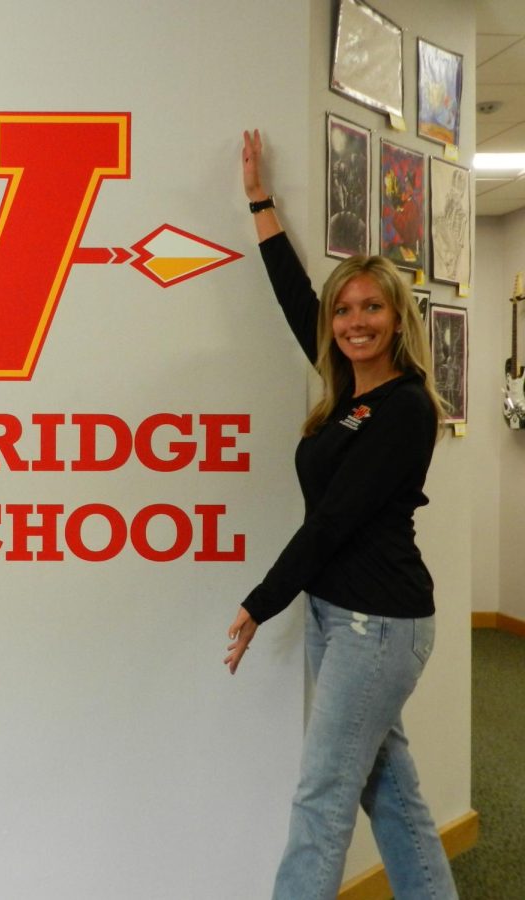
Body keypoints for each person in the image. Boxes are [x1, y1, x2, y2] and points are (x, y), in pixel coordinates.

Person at [226, 131, 458, 899]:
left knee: (320, 798)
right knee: (389, 793)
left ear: (397, 317)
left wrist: (261, 602)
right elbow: (301, 303)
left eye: (372, 308)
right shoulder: (348, 392)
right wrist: (261, 204)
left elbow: (333, 523)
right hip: (339, 616)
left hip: (378, 624)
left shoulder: (403, 409)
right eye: (346, 310)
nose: (356, 321)